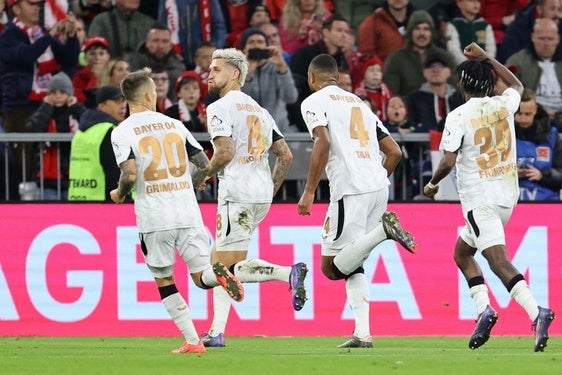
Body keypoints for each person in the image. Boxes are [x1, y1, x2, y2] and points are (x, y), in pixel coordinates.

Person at [423, 42, 555, 352]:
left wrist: (431, 185)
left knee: (497, 261)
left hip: (480, 200)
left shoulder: (457, 116)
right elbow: (519, 86)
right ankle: (484, 309)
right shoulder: (503, 104)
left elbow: (449, 160)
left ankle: (537, 312)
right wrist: (488, 58)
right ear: (489, 82)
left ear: (462, 84)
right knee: (462, 254)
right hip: (507, 196)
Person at [109, 67, 244, 354]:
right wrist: (195, 183)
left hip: (154, 218)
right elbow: (203, 165)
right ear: (149, 95)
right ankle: (218, 275)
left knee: (165, 279)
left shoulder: (122, 131)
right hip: (188, 213)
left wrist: (119, 193)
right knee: (200, 276)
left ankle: (194, 341)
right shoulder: (175, 125)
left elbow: (130, 175)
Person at [297, 54, 417, 348]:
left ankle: (383, 233)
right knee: (354, 263)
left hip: (350, 188)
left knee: (330, 267)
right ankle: (363, 333)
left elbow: (322, 142)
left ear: (312, 78)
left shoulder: (314, 101)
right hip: (378, 186)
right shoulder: (359, 104)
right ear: (336, 77)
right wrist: (376, 178)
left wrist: (310, 190)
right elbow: (395, 152)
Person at [191, 48, 307, 347]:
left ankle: (287, 273)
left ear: (235, 74)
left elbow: (225, 152)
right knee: (221, 262)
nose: (210, 73)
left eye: (217, 69)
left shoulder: (220, 107)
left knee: (223, 268)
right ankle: (216, 332)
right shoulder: (260, 110)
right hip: (259, 194)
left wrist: (202, 175)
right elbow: (285, 155)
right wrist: (270, 188)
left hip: (237, 193)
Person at [0, 0, 79, 187]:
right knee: (24, 165)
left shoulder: (41, 33)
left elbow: (68, 60)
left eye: (38, 4)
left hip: (48, 105)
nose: (37, 7)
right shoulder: (8, 35)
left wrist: (72, 36)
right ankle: (22, 207)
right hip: (19, 108)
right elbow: (27, 55)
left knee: (49, 159)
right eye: (31, 4)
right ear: (16, 9)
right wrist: (49, 36)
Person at [26, 72, 86, 201]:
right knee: (50, 213)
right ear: (48, 95)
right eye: (53, 92)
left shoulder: (76, 110)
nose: (58, 96)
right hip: (48, 177)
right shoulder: (43, 110)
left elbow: (89, 123)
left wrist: (76, 107)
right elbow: (34, 128)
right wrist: (46, 106)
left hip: (74, 174)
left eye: (62, 92)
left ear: (70, 94)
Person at [68, 86, 126, 201]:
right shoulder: (108, 131)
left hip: (78, 198)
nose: (123, 105)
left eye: (124, 101)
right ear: (102, 106)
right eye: (117, 101)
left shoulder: (82, 131)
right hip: (103, 201)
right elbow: (113, 171)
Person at [383, 10, 456, 96]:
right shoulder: (396, 59)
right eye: (417, 28)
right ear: (410, 32)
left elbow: (456, 89)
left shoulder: (445, 57)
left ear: (431, 33)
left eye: (426, 29)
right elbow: (390, 93)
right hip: (408, 107)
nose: (421, 33)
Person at [239, 27, 298, 134]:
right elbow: (240, 103)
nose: (256, 45)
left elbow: (291, 98)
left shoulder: (277, 67)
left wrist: (282, 67)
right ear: (244, 49)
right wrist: (248, 75)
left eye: (260, 42)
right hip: (249, 132)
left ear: (266, 47)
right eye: (251, 42)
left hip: (278, 130)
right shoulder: (237, 71)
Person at [506, 18, 562, 125]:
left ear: (557, 39)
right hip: (532, 118)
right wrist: (539, 110)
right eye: (541, 39)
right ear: (533, 38)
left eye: (550, 39)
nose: (546, 43)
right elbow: (506, 92)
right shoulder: (518, 61)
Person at [515, 88, 562, 201]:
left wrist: (543, 175)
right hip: (512, 203)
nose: (523, 118)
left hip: (547, 203)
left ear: (535, 110)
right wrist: (511, 175)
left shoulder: (553, 136)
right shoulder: (503, 135)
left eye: (528, 114)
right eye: (520, 113)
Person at [158, 0, 226, 69]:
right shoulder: (166, 1)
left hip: (204, 58)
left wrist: (214, 50)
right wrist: (170, 52)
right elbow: (162, 28)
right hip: (177, 58)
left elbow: (219, 27)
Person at [126, 24, 186, 101]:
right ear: (147, 43)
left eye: (165, 41)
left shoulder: (179, 68)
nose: (160, 46)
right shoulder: (130, 63)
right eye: (155, 40)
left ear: (170, 45)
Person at [497, 0, 562, 63]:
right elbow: (510, 61)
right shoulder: (518, 28)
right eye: (552, 9)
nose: (557, 14)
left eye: (559, 9)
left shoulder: (559, 25)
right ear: (539, 9)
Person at [88, 0, 156, 59]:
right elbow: (92, 52)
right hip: (108, 70)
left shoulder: (149, 23)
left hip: (141, 71)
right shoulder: (101, 21)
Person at [445, 0, 496, 66]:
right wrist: (468, 65)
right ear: (459, 4)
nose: (476, 3)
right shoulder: (453, 25)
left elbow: (491, 49)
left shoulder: (485, 25)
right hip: (460, 68)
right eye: (471, 0)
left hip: (483, 67)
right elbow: (453, 50)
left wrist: (485, 64)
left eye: (478, 1)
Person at [72, 35, 110, 106]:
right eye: (92, 53)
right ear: (85, 57)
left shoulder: (116, 75)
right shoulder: (78, 78)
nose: (97, 57)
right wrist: (95, 77)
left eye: (101, 53)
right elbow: (87, 104)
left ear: (108, 56)